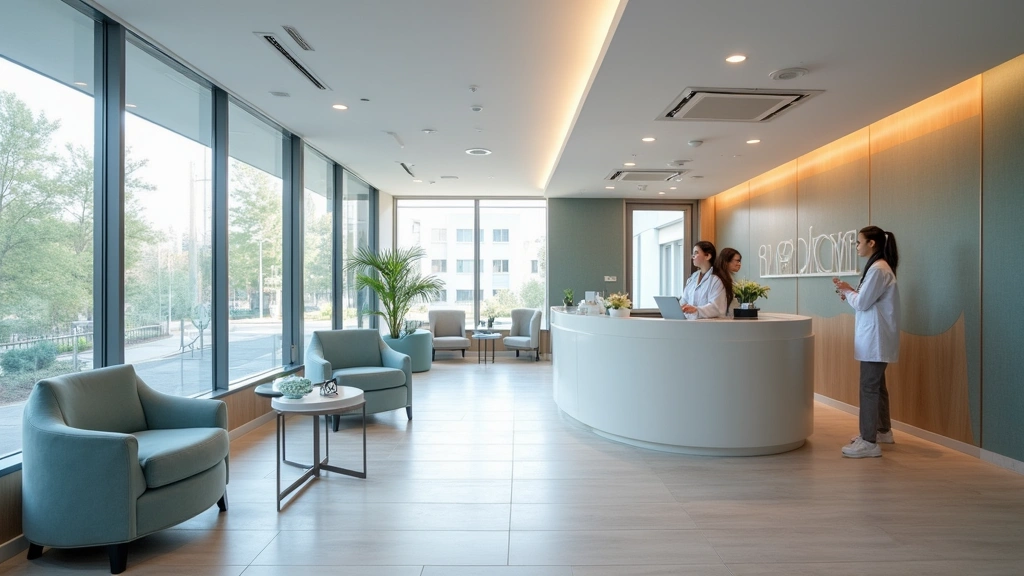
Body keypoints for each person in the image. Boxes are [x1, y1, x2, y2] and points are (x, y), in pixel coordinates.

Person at [833, 226, 900, 458]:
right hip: (876, 337)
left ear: (872, 243)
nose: (856, 246)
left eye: (858, 242)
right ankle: (882, 431)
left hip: (876, 339)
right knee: (877, 386)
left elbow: (861, 303)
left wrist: (849, 292)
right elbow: (866, 300)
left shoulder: (879, 269)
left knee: (869, 387)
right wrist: (850, 291)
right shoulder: (877, 268)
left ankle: (869, 441)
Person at [679, 240, 727, 319]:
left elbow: (716, 307)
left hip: (708, 324)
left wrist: (697, 310)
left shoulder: (715, 280)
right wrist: (679, 307)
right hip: (690, 323)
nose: (693, 256)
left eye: (696, 253)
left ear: (707, 256)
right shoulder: (692, 278)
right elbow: (684, 300)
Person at [714, 247, 742, 315]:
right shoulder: (718, 280)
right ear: (726, 261)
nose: (739, 264)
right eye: (737, 261)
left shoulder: (730, 277)